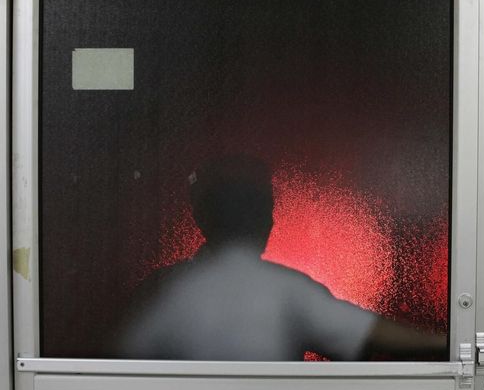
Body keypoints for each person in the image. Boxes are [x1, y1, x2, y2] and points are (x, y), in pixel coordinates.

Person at [118, 155, 446, 361]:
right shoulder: (285, 289)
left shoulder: (162, 290)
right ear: (263, 219)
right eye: (265, 209)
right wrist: (454, 345)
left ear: (201, 217)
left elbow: (119, 366)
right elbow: (368, 333)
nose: (270, 221)